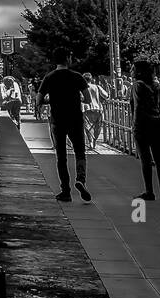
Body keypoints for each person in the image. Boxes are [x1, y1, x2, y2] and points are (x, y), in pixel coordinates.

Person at [37, 47, 92, 202]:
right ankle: (80, 179)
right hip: (75, 119)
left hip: (58, 120)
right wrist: (76, 99)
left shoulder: (49, 77)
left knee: (61, 156)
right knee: (80, 152)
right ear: (68, 58)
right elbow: (88, 99)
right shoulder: (77, 77)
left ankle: (65, 191)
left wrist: (52, 100)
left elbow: (39, 100)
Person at [131, 60, 160, 201]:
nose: (131, 70)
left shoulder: (137, 85)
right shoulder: (157, 85)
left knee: (146, 160)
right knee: (159, 159)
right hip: (157, 125)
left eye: (133, 68)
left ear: (139, 71)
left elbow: (135, 107)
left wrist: (134, 125)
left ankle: (149, 191)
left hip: (142, 126)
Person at [81, 73, 107, 148]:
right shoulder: (97, 87)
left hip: (86, 109)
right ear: (91, 79)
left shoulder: (82, 88)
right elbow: (106, 95)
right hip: (97, 108)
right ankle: (95, 139)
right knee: (97, 126)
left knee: (87, 126)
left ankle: (91, 142)